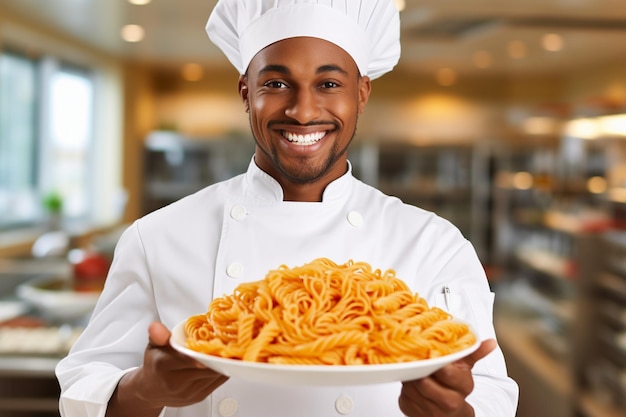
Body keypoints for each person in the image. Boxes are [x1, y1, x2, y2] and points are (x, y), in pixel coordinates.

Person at [55, 0, 519, 416]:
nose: (302, 110)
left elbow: (492, 395)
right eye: (276, 82)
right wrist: (144, 390)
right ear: (244, 93)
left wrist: (456, 414)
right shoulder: (156, 236)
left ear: (361, 93)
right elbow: (84, 389)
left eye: (328, 83)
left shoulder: (434, 244)